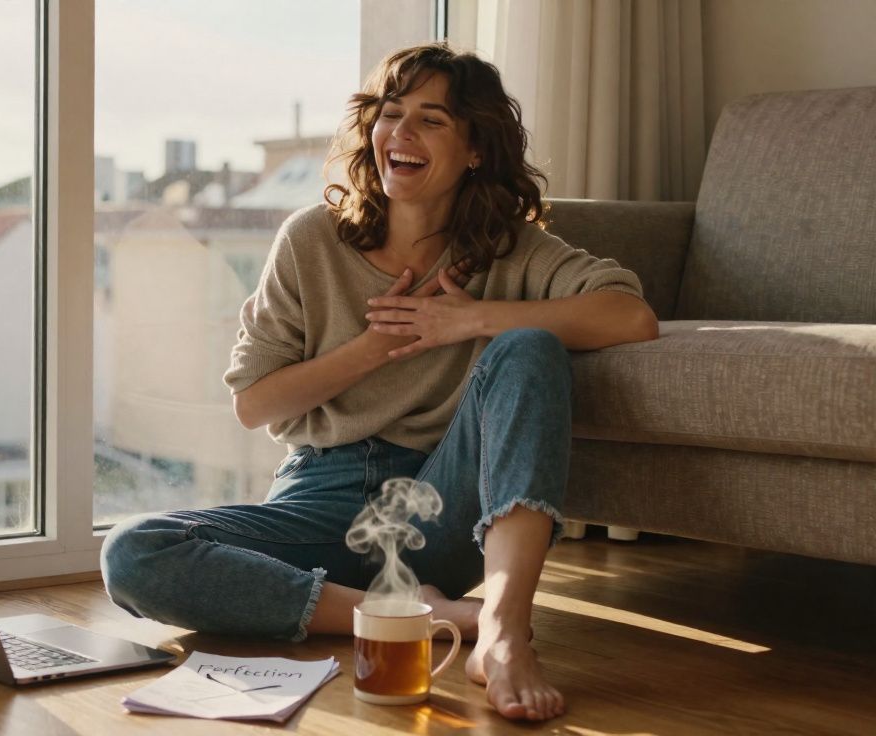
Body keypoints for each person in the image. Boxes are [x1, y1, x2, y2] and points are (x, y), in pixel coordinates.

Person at [100, 42, 658, 722]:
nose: (402, 133)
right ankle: (416, 615)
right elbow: (254, 403)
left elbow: (629, 316)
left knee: (530, 347)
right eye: (391, 114)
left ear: (475, 148)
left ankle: (505, 632)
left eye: (431, 119)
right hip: (320, 501)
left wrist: (468, 319)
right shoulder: (311, 240)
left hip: (439, 509)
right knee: (134, 551)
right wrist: (374, 347)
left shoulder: (511, 249)